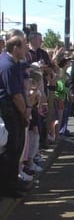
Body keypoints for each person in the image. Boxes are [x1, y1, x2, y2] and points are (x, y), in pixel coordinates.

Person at [0, 34, 30, 198]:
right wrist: (24, 112)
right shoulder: (7, 65)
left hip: (14, 109)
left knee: (17, 147)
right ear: (16, 48)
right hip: (9, 110)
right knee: (11, 149)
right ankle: (7, 188)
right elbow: (15, 95)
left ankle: (13, 183)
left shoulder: (14, 63)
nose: (26, 49)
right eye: (24, 46)